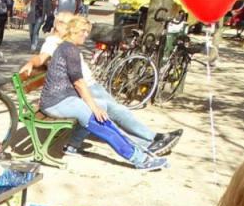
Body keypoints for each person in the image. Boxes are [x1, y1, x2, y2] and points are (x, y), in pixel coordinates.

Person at [20, 13, 182, 157]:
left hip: (89, 86)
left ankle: (149, 139)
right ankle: (151, 140)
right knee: (114, 111)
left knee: (115, 110)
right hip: (82, 90)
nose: (75, 30)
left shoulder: (65, 42)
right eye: (71, 25)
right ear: (59, 25)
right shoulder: (53, 43)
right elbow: (40, 59)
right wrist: (30, 63)